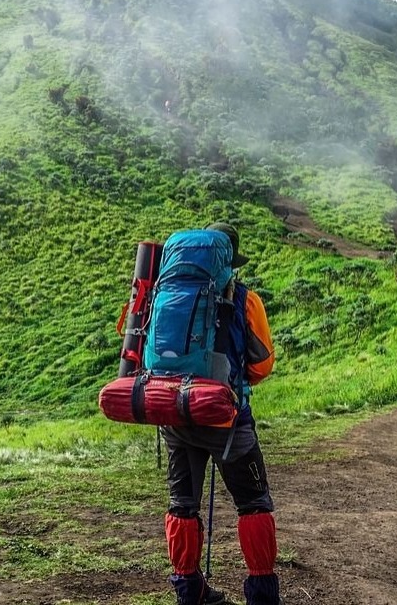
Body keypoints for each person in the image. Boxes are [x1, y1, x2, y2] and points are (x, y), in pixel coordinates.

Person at [163, 222, 281, 605]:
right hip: (225, 419)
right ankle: (262, 596)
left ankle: (188, 591)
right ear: (229, 260)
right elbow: (262, 365)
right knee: (254, 504)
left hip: (174, 413)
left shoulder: (166, 292)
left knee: (183, 505)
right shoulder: (246, 300)